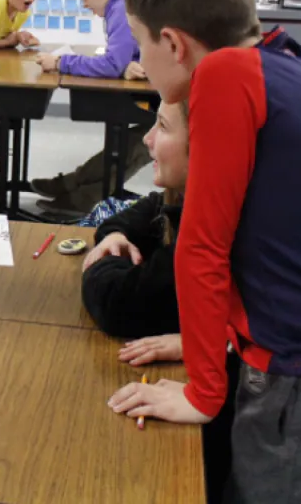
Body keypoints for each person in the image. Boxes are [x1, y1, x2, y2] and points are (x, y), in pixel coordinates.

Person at [107, 0, 301, 504]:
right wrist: (212, 339)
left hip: (300, 370)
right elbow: (273, 233)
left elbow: (203, 247)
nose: (138, 56)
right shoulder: (280, 54)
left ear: (174, 43)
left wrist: (204, 392)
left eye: (140, 41)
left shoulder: (225, 75)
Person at [80, 100, 236, 503]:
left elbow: (118, 304)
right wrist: (114, 235)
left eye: (163, 127)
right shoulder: (187, 196)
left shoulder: (204, 232)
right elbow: (134, 215)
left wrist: (100, 262)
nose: (147, 139)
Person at [32, 0, 150, 212]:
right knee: (130, 142)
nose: (84, 4)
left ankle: (82, 195)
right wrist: (125, 66)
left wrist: (62, 62)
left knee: (140, 144)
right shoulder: (123, 5)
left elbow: (111, 65)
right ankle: (76, 184)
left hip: (172, 99)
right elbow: (121, 62)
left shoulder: (120, 7)